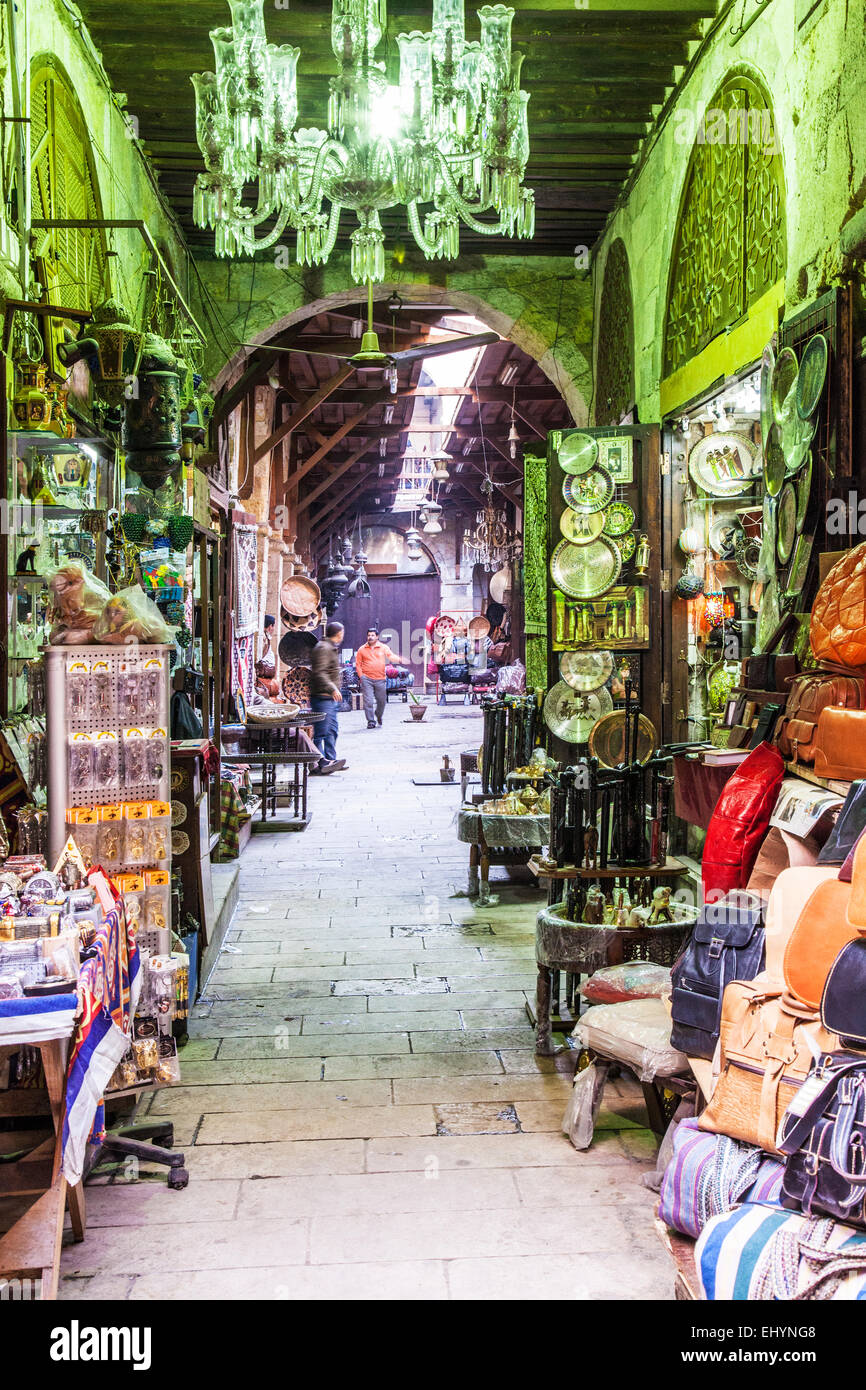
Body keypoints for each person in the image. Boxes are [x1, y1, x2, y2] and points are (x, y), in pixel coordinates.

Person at [309, 621, 348, 774]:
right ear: (339, 633)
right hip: (322, 697)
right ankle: (318, 763)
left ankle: (331, 759)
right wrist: (332, 688)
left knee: (332, 730)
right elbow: (320, 672)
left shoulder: (329, 647)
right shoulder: (323, 648)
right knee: (321, 732)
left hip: (329, 698)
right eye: (342, 633)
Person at [355, 626, 403, 729]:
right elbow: (358, 664)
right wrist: (361, 676)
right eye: (368, 635)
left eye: (372, 635)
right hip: (366, 678)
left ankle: (379, 715)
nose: (370, 637)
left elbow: (390, 656)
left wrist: (399, 659)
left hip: (380, 678)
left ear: (377, 637)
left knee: (382, 701)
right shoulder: (361, 649)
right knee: (368, 701)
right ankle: (371, 721)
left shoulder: (383, 647)